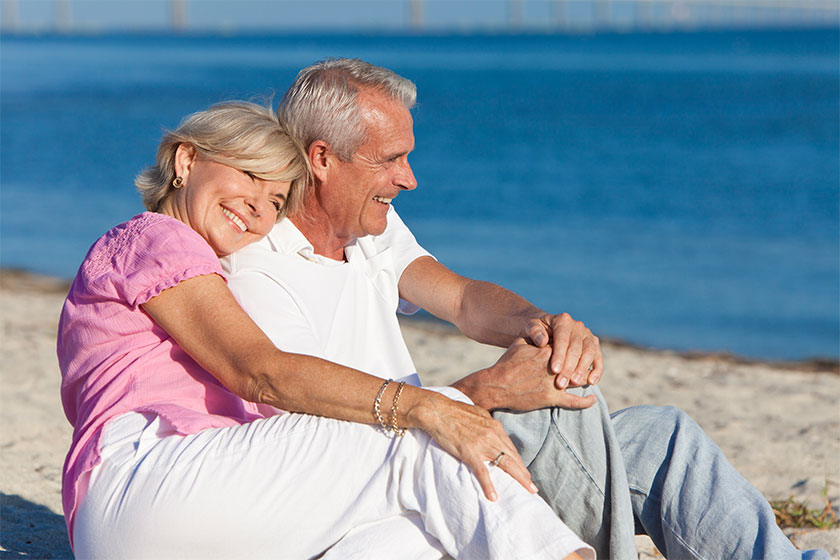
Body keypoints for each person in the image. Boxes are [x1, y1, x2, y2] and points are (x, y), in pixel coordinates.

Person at [223, 58, 830, 560]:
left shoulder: (367, 229)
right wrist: (486, 390)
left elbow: (462, 299)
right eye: (390, 159)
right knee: (548, 413)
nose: (409, 179)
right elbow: (318, 448)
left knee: (660, 436)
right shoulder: (260, 271)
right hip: (402, 483)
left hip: (446, 441)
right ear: (323, 159)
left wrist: (541, 327)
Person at [58, 100, 594, 559]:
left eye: (274, 201)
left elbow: (458, 298)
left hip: (185, 509)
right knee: (423, 434)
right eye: (247, 174)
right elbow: (260, 373)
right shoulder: (154, 238)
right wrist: (430, 405)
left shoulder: (204, 268)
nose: (256, 207)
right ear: (186, 159)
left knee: (409, 536)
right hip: (144, 482)